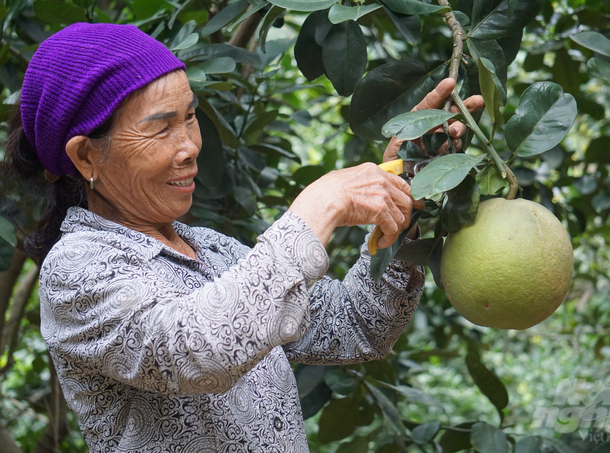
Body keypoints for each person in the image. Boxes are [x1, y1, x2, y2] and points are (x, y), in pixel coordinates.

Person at [3, 23, 483, 453]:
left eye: (188, 117)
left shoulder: (212, 251)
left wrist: (404, 197)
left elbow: (357, 326)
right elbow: (201, 353)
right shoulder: (76, 269)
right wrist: (320, 206)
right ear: (87, 157)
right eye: (161, 128)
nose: (190, 146)